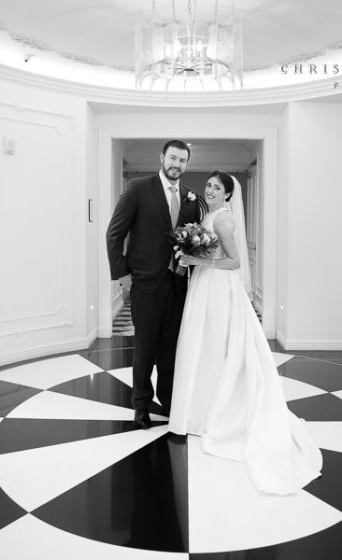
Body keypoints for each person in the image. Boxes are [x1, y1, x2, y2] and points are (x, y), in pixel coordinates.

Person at [168, 171, 323, 495]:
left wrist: (197, 259)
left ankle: (211, 413)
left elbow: (235, 262)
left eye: (217, 187)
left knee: (213, 347)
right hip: (204, 286)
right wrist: (194, 257)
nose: (210, 190)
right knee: (202, 345)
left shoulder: (222, 220)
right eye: (209, 185)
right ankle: (197, 411)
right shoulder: (208, 215)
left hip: (218, 289)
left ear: (227, 195)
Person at [106, 140, 204, 429]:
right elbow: (114, 234)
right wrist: (121, 275)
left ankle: (169, 401)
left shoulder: (190, 197)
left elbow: (190, 241)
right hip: (145, 284)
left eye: (183, 160)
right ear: (162, 158)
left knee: (170, 349)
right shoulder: (138, 188)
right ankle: (140, 405)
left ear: (187, 164)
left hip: (177, 285)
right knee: (145, 348)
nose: (177, 164)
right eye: (173, 157)